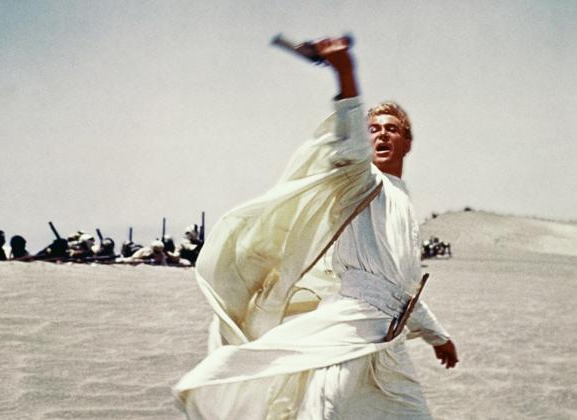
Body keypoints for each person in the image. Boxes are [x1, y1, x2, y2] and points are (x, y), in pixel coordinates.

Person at [173, 36, 458, 419]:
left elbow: (404, 287)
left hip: (390, 342)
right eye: (374, 129)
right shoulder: (360, 181)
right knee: (325, 411)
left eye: (392, 129)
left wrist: (439, 337)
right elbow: (351, 142)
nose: (381, 134)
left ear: (407, 143)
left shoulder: (402, 199)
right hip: (349, 330)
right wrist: (345, 72)